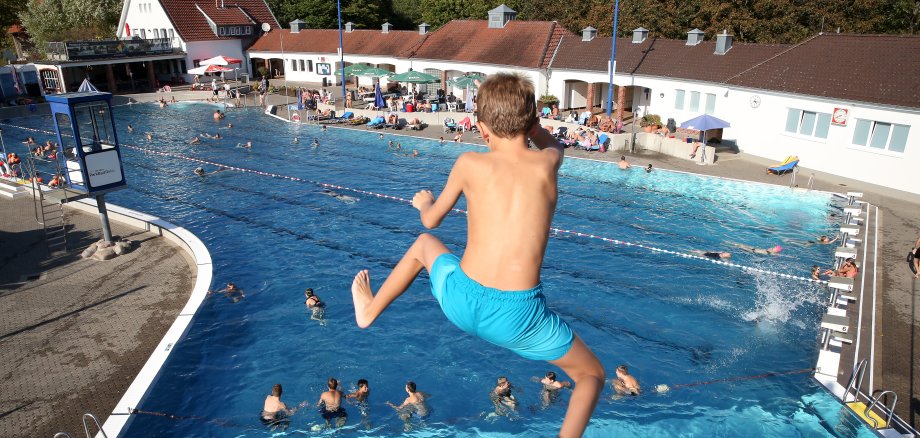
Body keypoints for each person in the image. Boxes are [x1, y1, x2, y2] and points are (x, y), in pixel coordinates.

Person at [348, 73, 605, 438]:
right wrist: (534, 129)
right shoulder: (547, 163)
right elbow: (554, 146)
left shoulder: (468, 163)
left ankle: (370, 311)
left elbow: (432, 221)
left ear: (481, 129)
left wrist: (424, 203)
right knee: (591, 375)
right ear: (532, 122)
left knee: (423, 244)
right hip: (519, 317)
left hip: (461, 299)